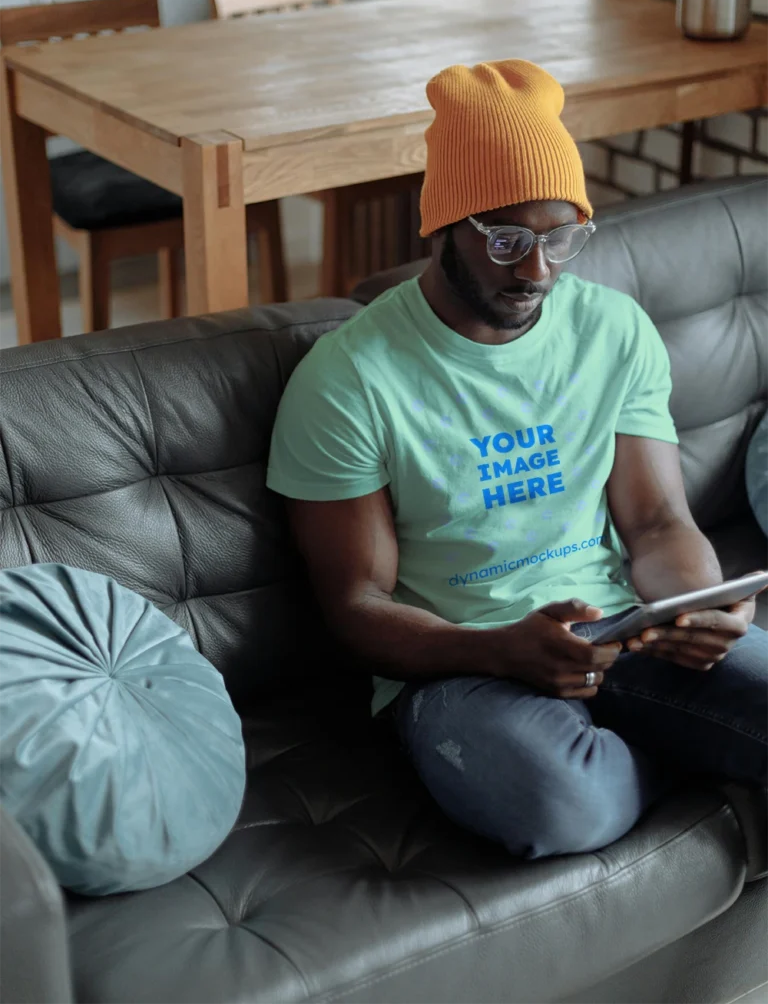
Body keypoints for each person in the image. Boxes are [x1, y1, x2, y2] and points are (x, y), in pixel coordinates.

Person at [267, 58, 766, 859]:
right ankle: (703, 755)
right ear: (440, 228)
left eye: (560, 237)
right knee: (563, 805)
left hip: (620, 631)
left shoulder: (613, 329)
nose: (536, 270)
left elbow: (656, 520)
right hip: (460, 667)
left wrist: (697, 606)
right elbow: (356, 605)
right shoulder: (348, 379)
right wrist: (497, 647)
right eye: (505, 240)